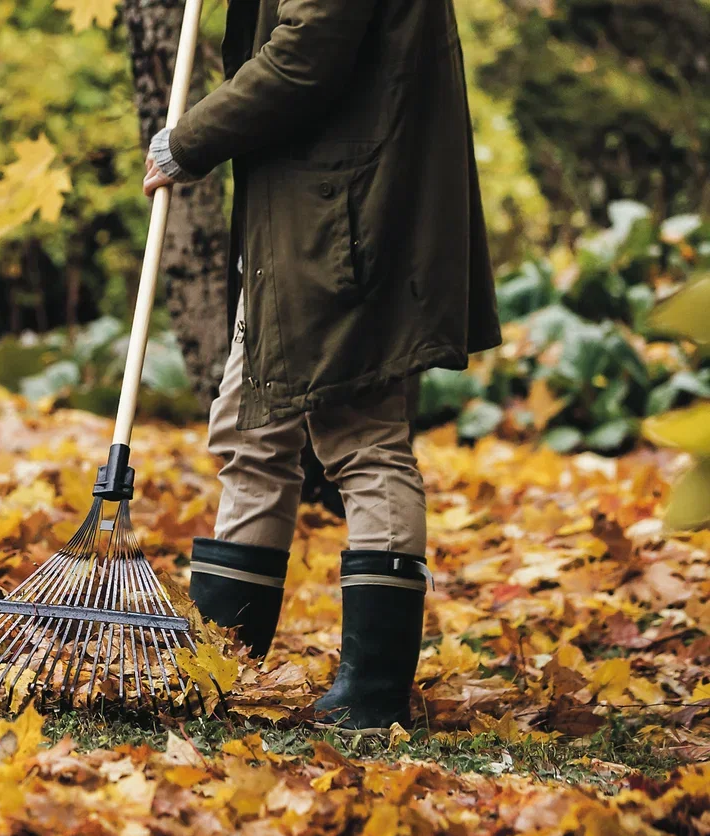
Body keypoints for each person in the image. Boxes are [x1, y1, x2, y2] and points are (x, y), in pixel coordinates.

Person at [145, 0, 500, 732]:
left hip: (347, 220)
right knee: (250, 435)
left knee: (362, 436)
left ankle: (371, 695)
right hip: (304, 217)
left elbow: (309, 48)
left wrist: (190, 141)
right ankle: (217, 667)